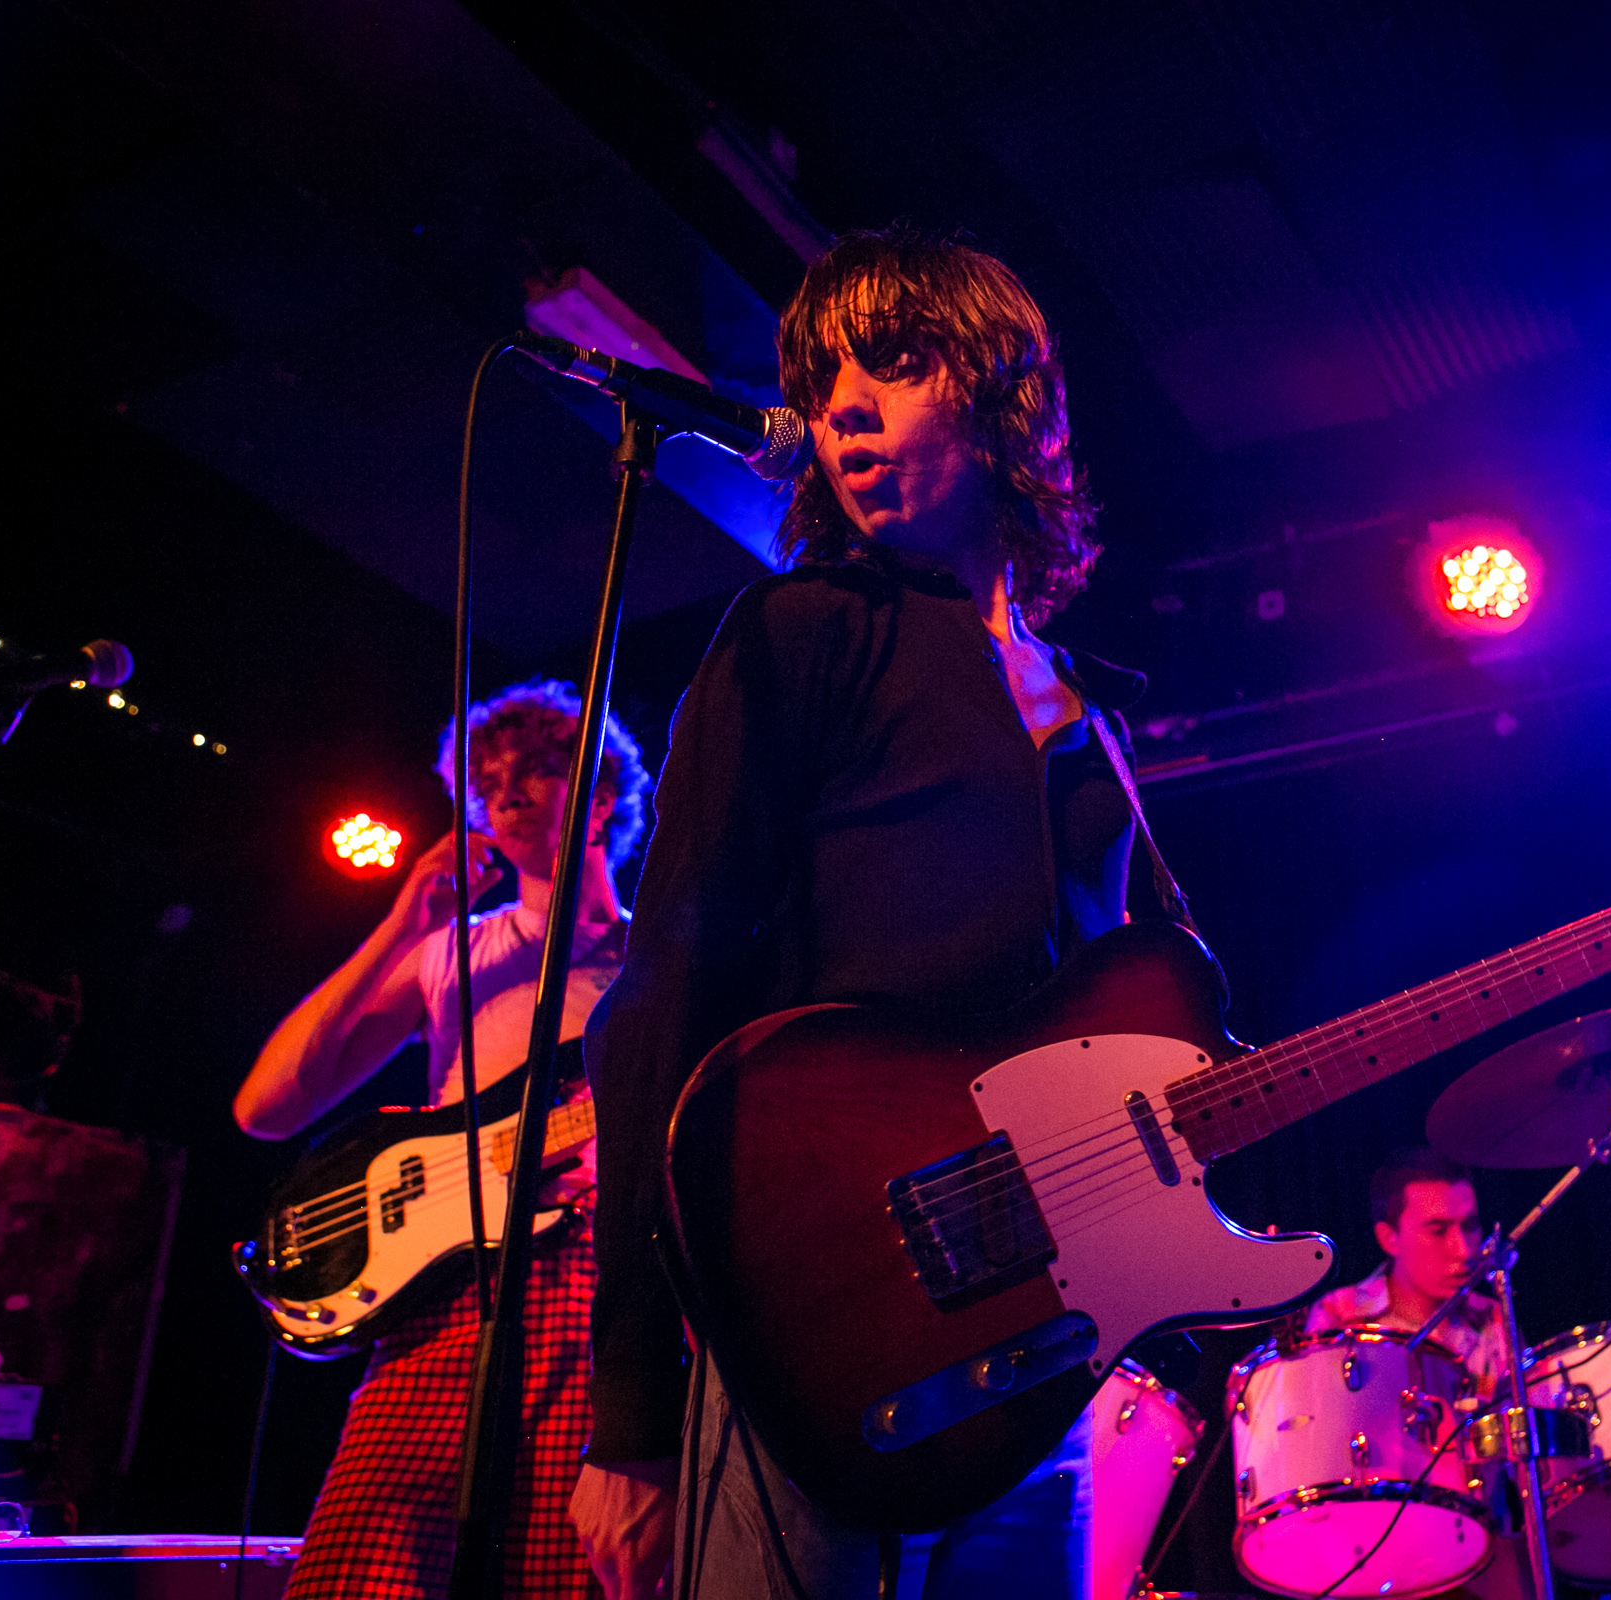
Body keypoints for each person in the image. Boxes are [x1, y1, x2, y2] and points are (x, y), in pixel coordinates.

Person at [576, 229, 1141, 1598]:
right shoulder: (801, 632)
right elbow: (663, 1003)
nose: (842, 409)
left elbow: (1114, 1044)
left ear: (1003, 393)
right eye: (822, 382)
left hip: (1043, 1351)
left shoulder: (1094, 718)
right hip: (818, 1341)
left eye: (891, 364)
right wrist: (634, 1412)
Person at [234, 679, 652, 1600]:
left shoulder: (658, 962)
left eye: (533, 768)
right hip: (445, 1292)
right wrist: (403, 925)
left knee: (560, 1576)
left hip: (594, 1287)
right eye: (485, 781)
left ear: (601, 797)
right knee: (354, 1574)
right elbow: (266, 1107)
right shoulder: (451, 953)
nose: (504, 794)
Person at [1306, 1147, 1510, 1396]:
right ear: (1389, 1238)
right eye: (1438, 1231)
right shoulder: (1337, 1315)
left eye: (1470, 1226)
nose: (1464, 1250)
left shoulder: (1494, 1318)